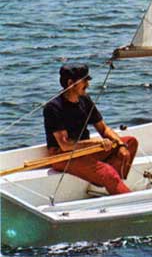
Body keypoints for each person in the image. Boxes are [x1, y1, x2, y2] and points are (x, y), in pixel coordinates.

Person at [43, 64, 138, 195]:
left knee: (130, 143)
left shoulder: (84, 99)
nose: (88, 84)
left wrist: (121, 145)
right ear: (71, 83)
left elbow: (103, 129)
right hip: (63, 156)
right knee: (108, 173)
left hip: (85, 151)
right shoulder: (53, 107)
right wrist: (96, 143)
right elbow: (65, 145)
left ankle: (109, 182)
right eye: (85, 81)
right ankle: (116, 187)